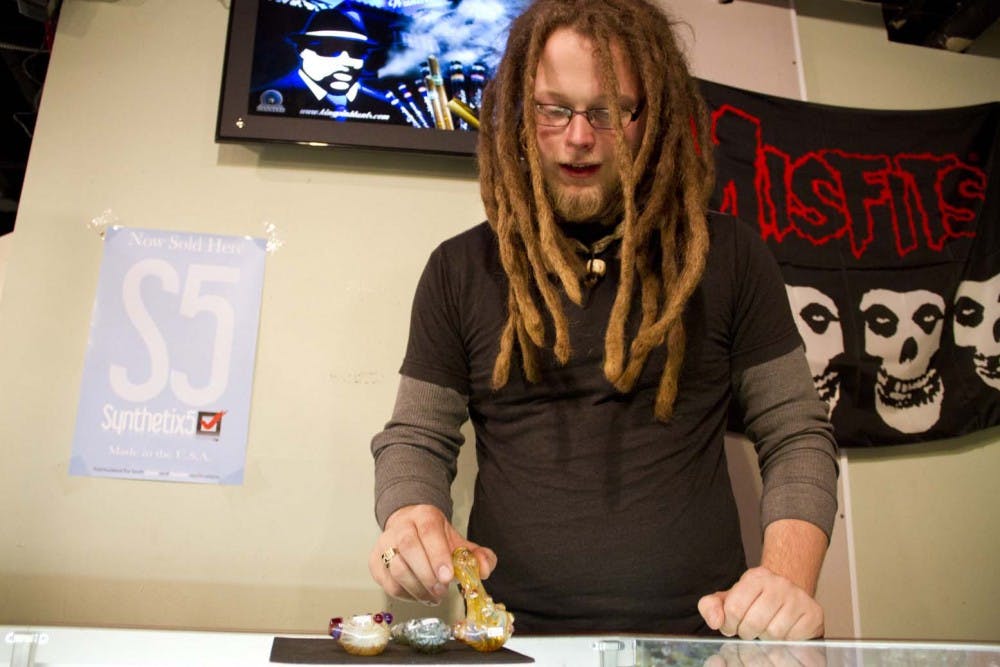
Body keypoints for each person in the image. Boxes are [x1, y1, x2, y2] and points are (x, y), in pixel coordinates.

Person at [369, 0, 839, 641]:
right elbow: (416, 437)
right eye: (552, 108)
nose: (579, 136)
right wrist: (407, 518)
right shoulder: (459, 269)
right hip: (512, 641)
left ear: (653, 116)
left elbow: (796, 433)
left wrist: (788, 579)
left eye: (610, 110)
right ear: (519, 114)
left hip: (704, 641)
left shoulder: (729, 255)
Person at [256, 4, 406, 124]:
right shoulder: (266, 99)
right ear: (302, 50)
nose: (346, 62)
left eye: (357, 52)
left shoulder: (384, 107)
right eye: (331, 49)